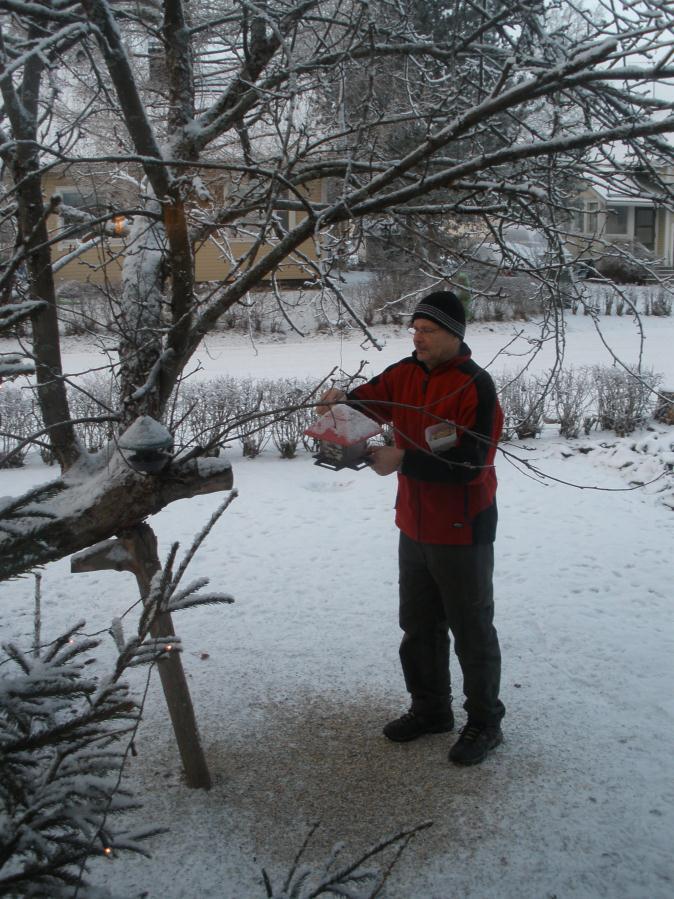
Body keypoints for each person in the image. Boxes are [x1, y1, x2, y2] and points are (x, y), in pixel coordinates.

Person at [319, 290, 505, 766]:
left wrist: (404, 459)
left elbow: (472, 464)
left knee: (471, 629)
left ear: (454, 335)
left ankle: (485, 721)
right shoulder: (404, 373)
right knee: (419, 626)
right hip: (414, 525)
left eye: (428, 331)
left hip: (463, 527)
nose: (417, 337)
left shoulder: (474, 386)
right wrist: (337, 406)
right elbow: (364, 407)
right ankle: (431, 709)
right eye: (415, 329)